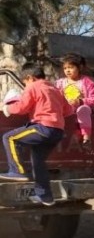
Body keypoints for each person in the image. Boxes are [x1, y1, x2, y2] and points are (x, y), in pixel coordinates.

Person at [0, 64, 74, 205]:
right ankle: (45, 197)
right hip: (57, 131)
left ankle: (17, 171)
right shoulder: (55, 89)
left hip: (42, 127)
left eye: (25, 83)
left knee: (9, 137)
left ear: (30, 78)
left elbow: (22, 107)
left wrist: (7, 108)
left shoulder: (33, 87)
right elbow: (69, 111)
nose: (25, 86)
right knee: (38, 162)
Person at [56, 52, 94, 146]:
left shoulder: (87, 82)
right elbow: (54, 96)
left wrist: (80, 101)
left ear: (80, 67)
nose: (67, 71)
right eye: (65, 68)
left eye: (71, 67)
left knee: (83, 109)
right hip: (67, 109)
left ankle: (86, 138)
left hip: (83, 109)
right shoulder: (60, 83)